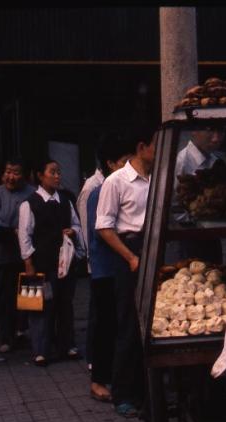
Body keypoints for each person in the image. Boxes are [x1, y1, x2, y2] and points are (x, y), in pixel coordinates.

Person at [96, 125, 156, 418]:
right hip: (128, 253)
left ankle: (149, 393)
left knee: (156, 325)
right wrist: (131, 258)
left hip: (156, 250)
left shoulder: (159, 178)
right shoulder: (116, 181)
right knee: (129, 325)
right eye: (157, 144)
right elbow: (104, 228)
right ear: (142, 146)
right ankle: (124, 394)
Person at [18, 159, 85, 366]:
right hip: (41, 264)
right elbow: (24, 235)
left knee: (65, 304)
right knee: (40, 306)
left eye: (59, 172)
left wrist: (73, 231)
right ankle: (41, 350)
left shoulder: (65, 200)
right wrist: (28, 262)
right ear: (40, 175)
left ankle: (67, 345)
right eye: (52, 172)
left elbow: (76, 223)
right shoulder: (29, 203)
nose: (57, 176)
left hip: (65, 264)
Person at [86, 134, 132, 402]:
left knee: (119, 325)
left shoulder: (117, 187)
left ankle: (117, 375)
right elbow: (102, 232)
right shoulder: (99, 192)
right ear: (111, 163)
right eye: (125, 161)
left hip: (119, 268)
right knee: (105, 327)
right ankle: (98, 381)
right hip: (106, 270)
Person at [0, 159, 35, 355]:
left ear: (23, 175)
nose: (11, 176)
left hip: (29, 255)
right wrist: (12, 230)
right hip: (4, 255)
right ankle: (7, 336)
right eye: (8, 171)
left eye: (16, 172)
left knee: (30, 294)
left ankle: (26, 333)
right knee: (5, 297)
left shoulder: (32, 193)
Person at [173, 127, 226, 263]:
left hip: (212, 234)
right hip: (189, 237)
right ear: (194, 131)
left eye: (220, 131)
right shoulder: (180, 162)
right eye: (209, 131)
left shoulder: (215, 161)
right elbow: (171, 205)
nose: (216, 138)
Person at [77, 157, 106, 370]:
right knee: (97, 310)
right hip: (96, 258)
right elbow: (87, 228)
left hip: (103, 259)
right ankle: (93, 357)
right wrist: (91, 257)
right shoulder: (91, 187)